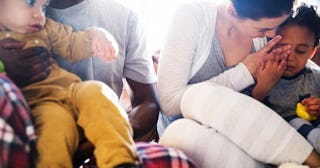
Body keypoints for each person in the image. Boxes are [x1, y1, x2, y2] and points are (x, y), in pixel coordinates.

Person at [157, 0, 320, 167]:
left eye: (277, 26)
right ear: (232, 12)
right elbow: (169, 103)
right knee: (181, 126)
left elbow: (302, 65)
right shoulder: (191, 17)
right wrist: (244, 72)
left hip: (254, 137)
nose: (272, 35)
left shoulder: (267, 35)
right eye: (263, 29)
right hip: (195, 129)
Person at [0, 0, 138, 167]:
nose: (39, 15)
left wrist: (95, 35)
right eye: (30, 2)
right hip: (42, 104)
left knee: (98, 91)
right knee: (53, 133)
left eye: (43, 7)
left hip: (71, 89)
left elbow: (72, 44)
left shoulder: (46, 28)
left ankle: (121, 160)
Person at [46, 0, 160, 143]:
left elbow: (148, 102)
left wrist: (106, 136)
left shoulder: (125, 18)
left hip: (105, 139)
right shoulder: (16, 19)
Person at [246, 4, 320, 153]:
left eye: (300, 51)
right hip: (275, 141)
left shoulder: (316, 79)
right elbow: (240, 111)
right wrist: (262, 87)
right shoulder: (258, 73)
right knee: (294, 123)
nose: (290, 57)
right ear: (270, 44)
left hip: (312, 137)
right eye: (282, 48)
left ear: (311, 53)